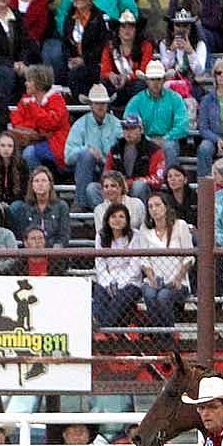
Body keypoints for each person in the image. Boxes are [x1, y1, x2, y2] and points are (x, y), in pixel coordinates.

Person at [139, 193, 194, 327]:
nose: (154, 209)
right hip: (154, 278)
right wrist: (151, 278)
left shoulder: (180, 225)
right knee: (150, 294)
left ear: (166, 207)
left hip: (178, 280)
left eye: (158, 205)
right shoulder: (145, 229)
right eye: (150, 206)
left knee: (163, 296)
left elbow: (189, 256)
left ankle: (168, 335)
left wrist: (178, 277)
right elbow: (144, 259)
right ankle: (158, 336)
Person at [125, 60, 188, 168]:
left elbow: (182, 125)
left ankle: (170, 180)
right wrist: (148, 140)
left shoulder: (175, 98)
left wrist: (165, 138)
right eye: (152, 79)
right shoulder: (136, 100)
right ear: (147, 81)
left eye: (158, 79)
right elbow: (129, 124)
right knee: (131, 147)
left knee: (169, 146)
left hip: (168, 140)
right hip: (143, 141)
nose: (155, 82)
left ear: (164, 80)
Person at [57, 0, 111, 101]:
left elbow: (103, 45)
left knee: (76, 75)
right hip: (75, 64)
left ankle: (85, 103)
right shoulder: (69, 18)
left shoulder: (101, 17)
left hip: (96, 64)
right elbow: (65, 43)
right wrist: (70, 59)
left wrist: (84, 59)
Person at [92, 203, 143, 327]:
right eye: (113, 216)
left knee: (122, 296)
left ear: (127, 220)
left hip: (131, 282)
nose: (117, 220)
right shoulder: (100, 236)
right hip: (107, 280)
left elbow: (135, 267)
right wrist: (109, 282)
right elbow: (100, 264)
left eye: (121, 216)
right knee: (99, 292)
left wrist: (118, 284)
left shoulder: (135, 236)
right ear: (108, 219)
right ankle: (106, 330)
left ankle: (102, 328)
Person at [102, 114, 165, 206]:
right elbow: (106, 174)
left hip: (144, 192)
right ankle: (107, 215)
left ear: (141, 130)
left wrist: (130, 183)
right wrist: (116, 185)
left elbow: (157, 179)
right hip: (118, 190)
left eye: (132, 128)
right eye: (125, 128)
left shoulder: (154, 150)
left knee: (138, 186)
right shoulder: (115, 149)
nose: (128, 132)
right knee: (92, 188)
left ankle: (140, 217)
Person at [12, 167, 71, 249]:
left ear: (50, 184)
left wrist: (54, 250)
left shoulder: (61, 206)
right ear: (32, 185)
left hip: (55, 254)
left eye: (44, 180)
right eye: (36, 181)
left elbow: (64, 236)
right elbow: (23, 236)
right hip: (31, 253)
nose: (40, 184)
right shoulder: (24, 208)